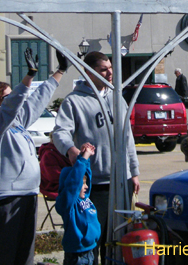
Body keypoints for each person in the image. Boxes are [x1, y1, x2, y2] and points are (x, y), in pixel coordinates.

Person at [0, 48, 67, 265]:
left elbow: (37, 101)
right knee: (5, 258)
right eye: (6, 97)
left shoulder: (17, 121)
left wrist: (60, 71)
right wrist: (29, 76)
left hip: (28, 195)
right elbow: (10, 107)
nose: (14, 101)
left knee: (25, 258)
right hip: (4, 197)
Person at [51, 51, 140, 264]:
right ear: (90, 73)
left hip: (121, 183)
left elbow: (127, 136)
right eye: (103, 69)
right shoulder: (74, 101)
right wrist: (70, 150)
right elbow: (60, 132)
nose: (110, 73)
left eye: (110, 68)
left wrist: (134, 171)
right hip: (95, 186)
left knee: (118, 240)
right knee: (93, 239)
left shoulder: (117, 98)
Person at [55, 143, 100, 265]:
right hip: (77, 255)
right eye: (83, 183)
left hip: (90, 250)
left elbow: (86, 176)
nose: (86, 186)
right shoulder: (67, 203)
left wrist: (84, 158)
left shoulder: (84, 198)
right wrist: (83, 159)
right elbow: (73, 183)